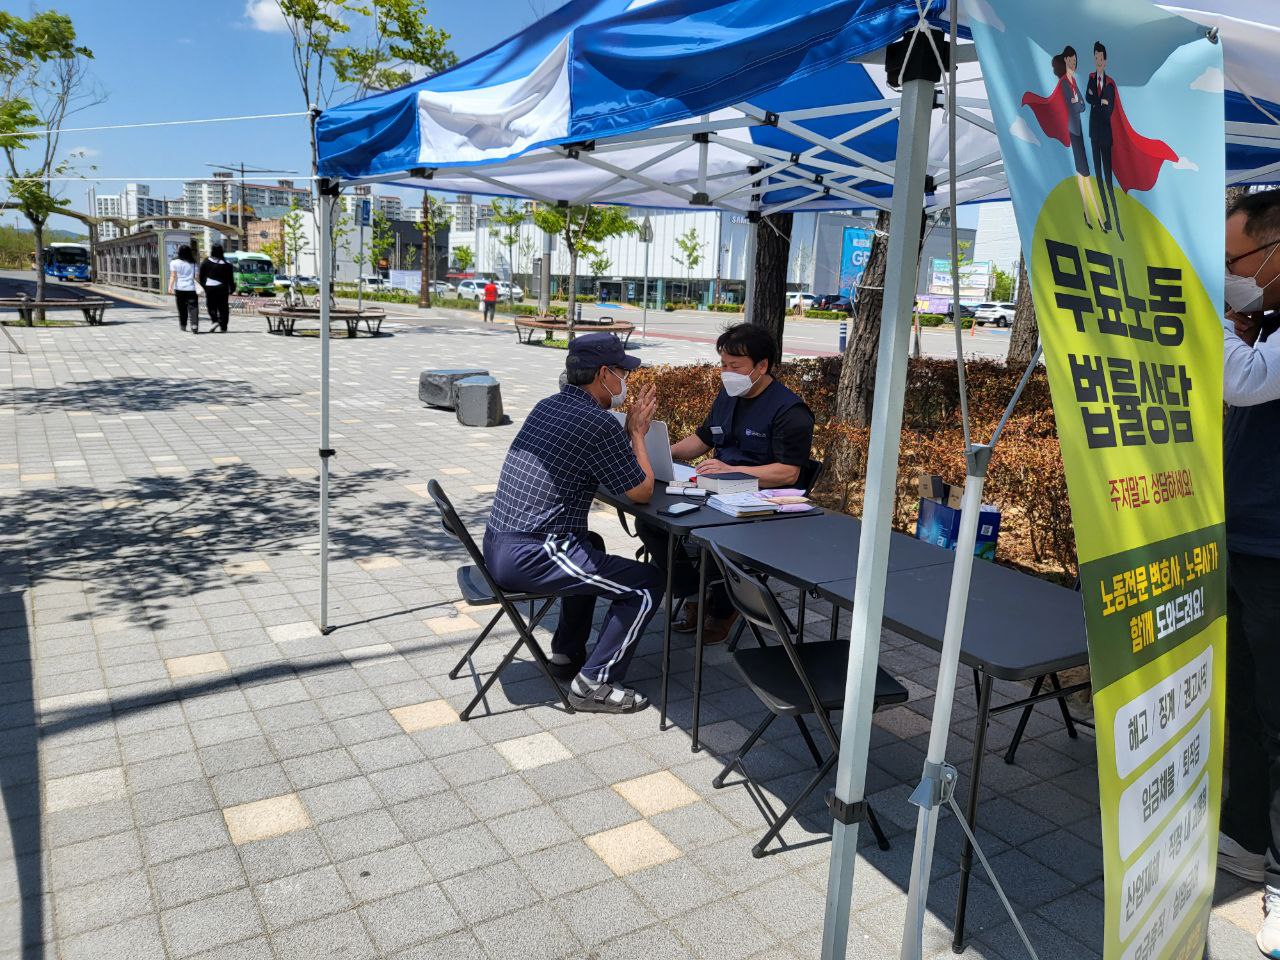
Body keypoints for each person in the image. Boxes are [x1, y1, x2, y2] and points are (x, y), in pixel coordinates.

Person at [483, 332, 661, 713]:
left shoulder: (548, 406)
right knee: (646, 584)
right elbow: (642, 492)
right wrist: (636, 434)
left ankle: (566, 653)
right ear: (603, 374)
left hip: (498, 543)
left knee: (591, 543)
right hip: (531, 554)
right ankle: (593, 684)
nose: (625, 382)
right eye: (622, 372)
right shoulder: (598, 423)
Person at [636, 323, 814, 644]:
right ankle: (693, 594)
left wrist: (733, 470)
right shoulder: (729, 395)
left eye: (735, 366)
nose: (726, 372)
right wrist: (661, 451)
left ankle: (722, 609)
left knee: (707, 533)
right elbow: (703, 439)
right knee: (652, 522)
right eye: (723, 365)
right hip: (716, 488)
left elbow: (789, 473)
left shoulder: (790, 410)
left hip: (761, 499)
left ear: (762, 366)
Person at [1219, 188, 1280, 958]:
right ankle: (1243, 834)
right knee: (1243, 698)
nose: (1229, 275)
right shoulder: (1264, 320)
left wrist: (1193, 302)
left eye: (1233, 261)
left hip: (1276, 553)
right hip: (1240, 542)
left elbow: (1244, 382)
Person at [1022, 45, 1105, 230]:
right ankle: (1096, 216)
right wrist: (1076, 103)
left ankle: (1090, 216)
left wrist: (1077, 103)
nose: (1073, 62)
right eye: (1070, 60)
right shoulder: (1064, 84)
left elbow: (1081, 105)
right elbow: (1075, 106)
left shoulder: (1073, 82)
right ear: (1065, 61)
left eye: (1075, 60)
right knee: (1084, 174)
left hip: (1078, 131)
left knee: (1082, 174)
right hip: (1074, 132)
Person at [1086, 41, 1122, 239]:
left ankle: (1116, 220)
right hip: (1094, 134)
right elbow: (1088, 97)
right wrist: (1100, 101)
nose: (1098, 61)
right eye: (1096, 58)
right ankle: (1107, 218)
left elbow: (1109, 110)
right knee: (1098, 179)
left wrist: (1098, 102)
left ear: (1105, 61)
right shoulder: (1092, 80)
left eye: (1101, 58)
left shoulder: (1109, 84)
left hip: (1106, 138)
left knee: (1108, 181)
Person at [199, 244, 235, 333]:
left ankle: (215, 320)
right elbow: (231, 279)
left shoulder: (206, 262)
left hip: (210, 287)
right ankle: (223, 327)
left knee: (211, 306)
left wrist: (205, 287)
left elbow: (201, 277)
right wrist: (232, 288)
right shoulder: (227, 264)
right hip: (223, 288)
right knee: (223, 308)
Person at [168, 244, 200, 333]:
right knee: (193, 307)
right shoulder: (193, 263)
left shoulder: (174, 262)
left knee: (182, 308)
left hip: (179, 289)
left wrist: (170, 287)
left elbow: (173, 276)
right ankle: (194, 325)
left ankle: (183, 325)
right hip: (191, 289)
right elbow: (196, 277)